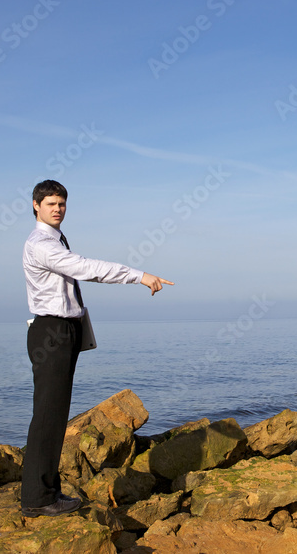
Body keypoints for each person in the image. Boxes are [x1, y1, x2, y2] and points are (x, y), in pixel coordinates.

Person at [20, 179, 173, 517]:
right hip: (52, 332)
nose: (57, 209)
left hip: (63, 330)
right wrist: (139, 275)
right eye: (50, 204)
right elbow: (85, 268)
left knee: (54, 415)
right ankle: (37, 499)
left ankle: (44, 491)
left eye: (61, 203)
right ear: (36, 206)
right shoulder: (41, 244)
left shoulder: (55, 239)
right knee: (48, 415)